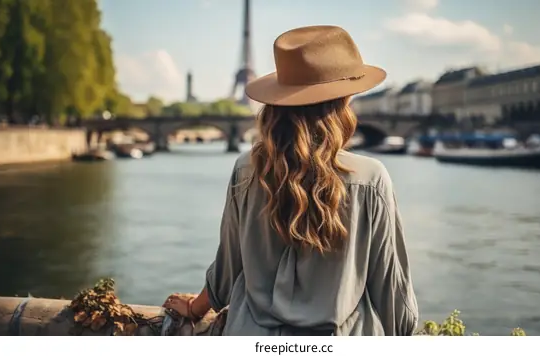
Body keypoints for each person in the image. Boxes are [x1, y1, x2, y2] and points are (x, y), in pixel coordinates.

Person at [163, 25, 419, 336]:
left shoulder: (246, 169)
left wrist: (194, 308)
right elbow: (392, 293)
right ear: (342, 102)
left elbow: (227, 270)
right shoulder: (370, 179)